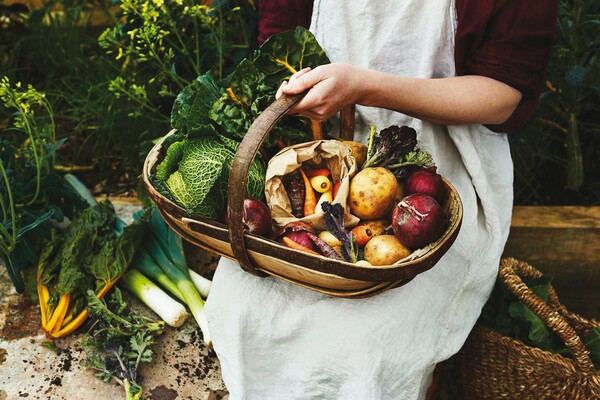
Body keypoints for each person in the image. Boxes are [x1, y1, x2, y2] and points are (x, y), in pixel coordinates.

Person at [204, 1, 559, 399]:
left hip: (436, 169)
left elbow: (503, 94)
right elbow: (278, 46)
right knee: (247, 310)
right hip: (318, 157)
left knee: (368, 343)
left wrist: (365, 87)